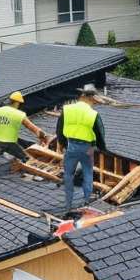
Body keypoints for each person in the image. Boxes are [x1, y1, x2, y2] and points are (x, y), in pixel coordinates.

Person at [0, 90, 48, 183]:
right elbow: (32, 128)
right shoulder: (19, 115)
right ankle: (34, 172)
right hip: (10, 143)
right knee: (26, 158)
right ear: (18, 103)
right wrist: (43, 135)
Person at [57, 85, 108, 213]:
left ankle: (68, 204)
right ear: (91, 98)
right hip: (87, 148)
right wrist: (102, 149)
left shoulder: (67, 109)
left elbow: (59, 130)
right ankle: (86, 201)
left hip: (71, 146)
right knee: (87, 173)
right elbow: (100, 133)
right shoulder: (93, 114)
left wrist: (63, 144)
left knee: (68, 175)